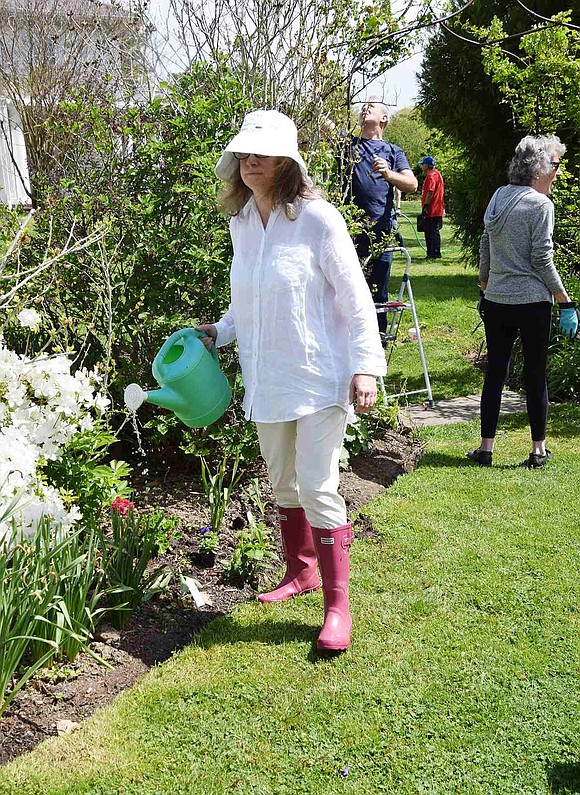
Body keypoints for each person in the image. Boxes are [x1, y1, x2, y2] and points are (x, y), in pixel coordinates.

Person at [197, 110, 387, 651]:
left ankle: (336, 606)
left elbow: (354, 297)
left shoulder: (318, 220)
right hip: (267, 374)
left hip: (318, 374)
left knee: (316, 483)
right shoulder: (241, 225)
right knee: (282, 480)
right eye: (244, 153)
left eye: (263, 152)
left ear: (288, 161)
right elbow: (248, 299)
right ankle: (301, 572)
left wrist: (365, 365)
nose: (251, 160)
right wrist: (221, 330)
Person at [467, 134, 579, 470]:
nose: (558, 173)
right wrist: (565, 300)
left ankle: (486, 449)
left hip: (497, 301)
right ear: (539, 168)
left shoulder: (499, 196)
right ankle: (537, 450)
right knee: (534, 375)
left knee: (495, 374)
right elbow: (542, 258)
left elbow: (486, 243)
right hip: (533, 304)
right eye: (555, 166)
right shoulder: (542, 205)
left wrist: (486, 282)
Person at [347, 97, 418, 333]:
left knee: (379, 293)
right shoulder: (349, 145)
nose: (365, 106)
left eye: (372, 105)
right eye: (363, 105)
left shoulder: (392, 151)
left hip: (382, 234)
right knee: (350, 292)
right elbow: (324, 125)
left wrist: (388, 174)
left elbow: (411, 184)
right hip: (351, 233)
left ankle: (378, 345)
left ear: (384, 118)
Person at [419, 156, 444, 259]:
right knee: (435, 231)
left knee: (430, 233)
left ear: (426, 165)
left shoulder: (431, 176)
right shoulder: (438, 174)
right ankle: (435, 253)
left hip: (432, 209)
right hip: (438, 208)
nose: (422, 167)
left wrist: (425, 206)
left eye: (423, 165)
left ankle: (432, 254)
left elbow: (430, 191)